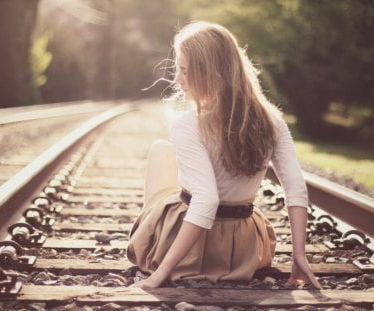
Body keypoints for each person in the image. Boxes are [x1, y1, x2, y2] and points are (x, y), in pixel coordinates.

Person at [127, 21, 321, 289]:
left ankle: (152, 237)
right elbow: (296, 187)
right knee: (173, 159)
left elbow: (206, 200)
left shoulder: (188, 124)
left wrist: (160, 275)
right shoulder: (272, 120)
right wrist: (299, 256)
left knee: (162, 151)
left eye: (184, 71)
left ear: (208, 73)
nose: (177, 80)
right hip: (244, 255)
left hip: (192, 254)